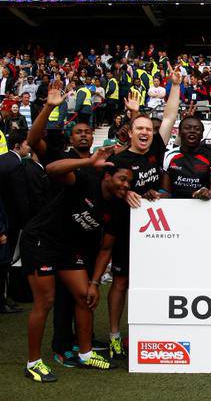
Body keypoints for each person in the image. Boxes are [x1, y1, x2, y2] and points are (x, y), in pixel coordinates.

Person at [21, 147, 131, 382]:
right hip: (41, 240)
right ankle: (33, 363)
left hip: (68, 248)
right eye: (122, 179)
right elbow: (51, 169)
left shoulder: (118, 207)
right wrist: (89, 162)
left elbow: (105, 249)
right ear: (108, 176)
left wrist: (94, 282)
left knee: (85, 297)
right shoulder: (86, 180)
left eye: (129, 182)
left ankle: (86, 353)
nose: (125, 185)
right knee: (46, 301)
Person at [95, 67, 181, 360]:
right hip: (123, 229)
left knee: (152, 283)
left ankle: (146, 332)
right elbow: (106, 193)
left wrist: (175, 85)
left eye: (149, 129)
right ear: (130, 133)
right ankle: (115, 336)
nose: (145, 132)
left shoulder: (157, 145)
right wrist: (123, 193)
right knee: (121, 283)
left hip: (154, 232)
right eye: (139, 128)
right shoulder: (118, 159)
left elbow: (169, 115)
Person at [0, 130, 30, 314]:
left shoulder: (4, 160)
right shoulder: (15, 165)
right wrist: (27, 222)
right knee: (4, 262)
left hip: (5, 219)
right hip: (8, 222)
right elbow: (20, 198)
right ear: (18, 145)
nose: (30, 146)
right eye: (27, 143)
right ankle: (2, 301)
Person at [161, 116, 211, 199]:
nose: (192, 131)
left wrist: (208, 192)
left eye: (197, 129)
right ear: (179, 133)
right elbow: (165, 192)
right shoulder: (168, 155)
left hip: (202, 205)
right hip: (175, 205)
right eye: (187, 128)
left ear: (202, 134)